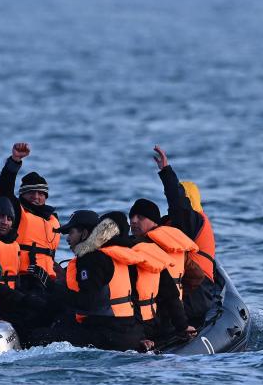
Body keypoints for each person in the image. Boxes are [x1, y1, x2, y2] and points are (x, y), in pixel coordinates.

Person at [26, 210, 147, 352]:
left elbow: (88, 303)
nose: (68, 239)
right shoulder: (115, 254)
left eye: (71, 233)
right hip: (127, 331)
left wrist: (49, 284)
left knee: (36, 337)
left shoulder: (90, 258)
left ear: (84, 233)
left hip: (106, 335)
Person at [152, 145, 219, 326]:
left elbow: (177, 203)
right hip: (189, 288)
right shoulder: (183, 224)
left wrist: (166, 172)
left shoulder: (192, 220)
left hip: (197, 292)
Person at [129, 198, 198, 344]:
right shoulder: (177, 245)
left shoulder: (141, 247)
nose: (133, 221)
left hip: (152, 321)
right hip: (176, 316)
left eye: (140, 217)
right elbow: (197, 276)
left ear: (154, 221)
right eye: (131, 217)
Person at [0, 142, 61, 279]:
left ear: (45, 197)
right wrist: (15, 161)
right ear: (22, 195)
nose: (36, 197)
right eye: (31, 192)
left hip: (47, 279)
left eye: (40, 193)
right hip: (22, 278)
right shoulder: (16, 211)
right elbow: (3, 190)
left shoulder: (52, 219)